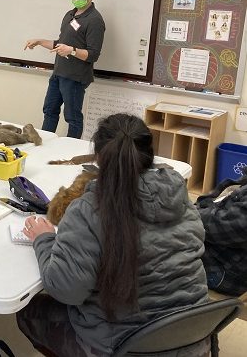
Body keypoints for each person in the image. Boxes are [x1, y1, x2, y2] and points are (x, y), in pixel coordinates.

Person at [16, 114, 208, 356]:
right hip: (193, 336)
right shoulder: (180, 197)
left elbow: (67, 290)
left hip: (126, 347)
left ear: (97, 158)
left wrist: (43, 239)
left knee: (29, 311)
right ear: (150, 154)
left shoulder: (89, 210)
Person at [24, 0, 105, 138]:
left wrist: (72, 51)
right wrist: (39, 41)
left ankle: (70, 154)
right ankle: (44, 146)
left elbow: (93, 54)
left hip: (75, 78)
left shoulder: (95, 20)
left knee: (73, 118)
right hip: (59, 73)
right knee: (49, 110)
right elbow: (61, 44)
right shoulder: (70, 15)